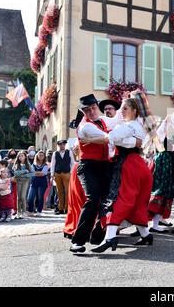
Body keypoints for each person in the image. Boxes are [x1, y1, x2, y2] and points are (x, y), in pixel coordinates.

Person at [69, 93, 131, 253]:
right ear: (83, 112)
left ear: (97, 106)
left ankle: (97, 235)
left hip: (104, 166)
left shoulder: (102, 120)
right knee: (93, 199)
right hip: (88, 166)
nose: (91, 111)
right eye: (87, 110)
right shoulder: (85, 126)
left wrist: (125, 100)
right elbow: (107, 138)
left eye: (93, 107)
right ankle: (77, 241)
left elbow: (116, 119)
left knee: (108, 201)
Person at [91, 98, 153, 253]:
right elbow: (139, 142)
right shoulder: (137, 126)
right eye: (122, 108)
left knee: (119, 198)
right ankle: (146, 235)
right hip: (140, 165)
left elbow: (111, 137)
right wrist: (132, 142)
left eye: (125, 108)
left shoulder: (128, 125)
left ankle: (110, 237)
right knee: (137, 202)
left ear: (134, 111)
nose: (121, 111)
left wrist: (88, 138)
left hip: (128, 165)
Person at [147, 113, 174, 233]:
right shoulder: (162, 138)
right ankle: (152, 225)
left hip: (166, 163)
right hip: (164, 166)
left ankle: (154, 223)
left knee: (162, 194)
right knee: (161, 193)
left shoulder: (166, 138)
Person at [51, 140, 75, 215]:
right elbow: (53, 164)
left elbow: (73, 163)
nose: (62, 146)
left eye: (63, 144)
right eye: (60, 144)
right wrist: (52, 175)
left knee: (67, 191)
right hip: (57, 174)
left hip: (67, 173)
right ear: (58, 145)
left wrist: (71, 173)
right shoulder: (55, 153)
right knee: (59, 192)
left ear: (65, 145)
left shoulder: (69, 152)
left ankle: (67, 208)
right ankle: (60, 208)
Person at [27, 150, 49, 217]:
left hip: (42, 183)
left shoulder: (45, 165)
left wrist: (36, 173)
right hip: (34, 182)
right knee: (30, 198)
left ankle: (39, 211)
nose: (41, 156)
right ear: (37, 156)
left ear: (44, 156)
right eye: (40, 155)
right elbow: (32, 173)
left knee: (40, 197)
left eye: (42, 155)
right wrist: (38, 173)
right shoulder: (33, 164)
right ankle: (30, 211)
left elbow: (43, 173)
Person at [12, 151, 33, 219]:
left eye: (22, 156)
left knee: (23, 197)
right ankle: (18, 212)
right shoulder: (16, 164)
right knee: (18, 197)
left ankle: (24, 211)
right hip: (18, 182)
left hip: (25, 182)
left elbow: (31, 174)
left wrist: (24, 175)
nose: (21, 157)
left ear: (25, 157)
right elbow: (15, 173)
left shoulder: (28, 164)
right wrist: (24, 171)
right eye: (19, 156)